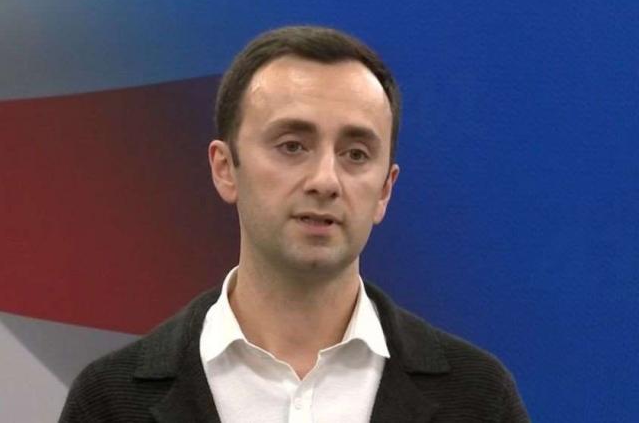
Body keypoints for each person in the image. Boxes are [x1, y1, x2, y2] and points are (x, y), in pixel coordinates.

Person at [60, 26, 529, 422]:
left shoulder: (478, 398)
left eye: (355, 154)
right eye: (292, 146)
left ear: (385, 189)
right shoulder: (109, 401)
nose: (325, 180)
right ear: (225, 169)